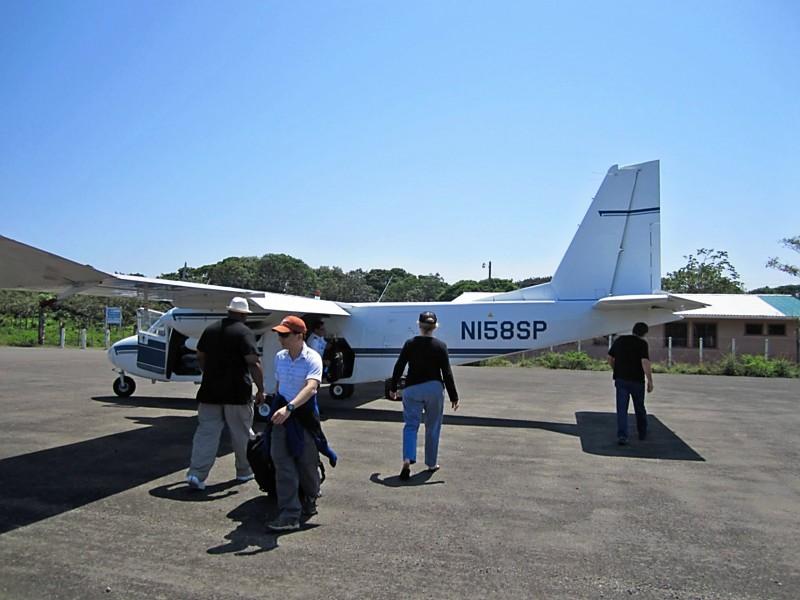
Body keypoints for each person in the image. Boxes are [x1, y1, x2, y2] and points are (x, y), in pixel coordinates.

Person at [186, 297, 264, 490]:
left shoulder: (210, 329)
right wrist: (261, 389)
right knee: (241, 434)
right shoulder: (244, 332)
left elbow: (200, 356)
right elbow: (253, 362)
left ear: (229, 311)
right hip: (237, 392)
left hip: (209, 392)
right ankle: (244, 471)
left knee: (206, 433)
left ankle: (197, 474)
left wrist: (210, 373)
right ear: (243, 314)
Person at [264, 315, 324, 531]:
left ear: (300, 336)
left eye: (285, 335)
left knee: (307, 462)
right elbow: (280, 384)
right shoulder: (280, 357)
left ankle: (311, 494)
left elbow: (311, 387)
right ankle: (289, 513)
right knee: (281, 462)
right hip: (282, 414)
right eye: (279, 334)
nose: (280, 338)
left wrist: (290, 408)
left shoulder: (312, 358)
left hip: (303, 415)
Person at [389, 311, 459, 480]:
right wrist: (453, 395)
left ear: (419, 325)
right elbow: (447, 373)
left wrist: (393, 387)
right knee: (433, 426)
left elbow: (399, 365)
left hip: (412, 388)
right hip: (434, 388)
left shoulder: (410, 343)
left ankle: (407, 459)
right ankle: (431, 463)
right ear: (435, 327)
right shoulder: (440, 346)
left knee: (411, 425)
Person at [607, 322, 654, 445]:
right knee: (639, 407)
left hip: (621, 379)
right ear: (644, 333)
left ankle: (622, 436)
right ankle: (642, 432)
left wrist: (615, 369)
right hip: (637, 381)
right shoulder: (642, 344)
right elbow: (645, 362)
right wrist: (650, 380)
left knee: (622, 409)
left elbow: (610, 358)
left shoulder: (620, 340)